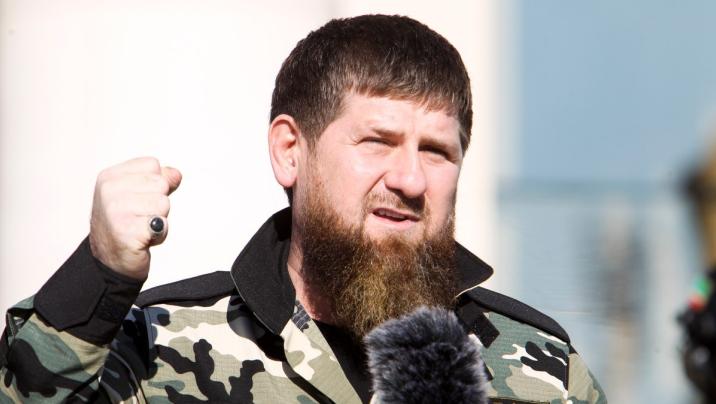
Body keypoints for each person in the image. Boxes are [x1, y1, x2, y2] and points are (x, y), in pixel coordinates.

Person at [0, 14, 606, 403]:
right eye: (378, 141)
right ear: (291, 151)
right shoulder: (157, 349)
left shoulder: (543, 371)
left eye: (437, 152)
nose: (411, 179)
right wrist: (99, 272)